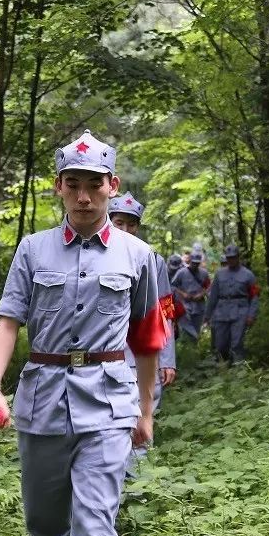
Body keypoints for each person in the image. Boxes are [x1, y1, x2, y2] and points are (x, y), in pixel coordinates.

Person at [0, 131, 167, 536]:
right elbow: (9, 322)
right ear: (60, 189)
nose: (84, 196)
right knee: (44, 525)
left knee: (96, 526)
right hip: (41, 397)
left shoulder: (138, 258)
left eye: (95, 185)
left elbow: (148, 337)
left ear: (113, 188)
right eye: (74, 185)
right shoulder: (34, 250)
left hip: (108, 402)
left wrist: (144, 410)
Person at [109, 192, 177, 478]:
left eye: (131, 224)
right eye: (119, 222)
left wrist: (168, 358)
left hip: (142, 359)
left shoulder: (152, 259)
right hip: (105, 358)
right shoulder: (92, 254)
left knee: (139, 426)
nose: (125, 229)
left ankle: (136, 493)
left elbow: (164, 312)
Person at [207, 243, 259, 362]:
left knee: (236, 343)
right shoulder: (220, 274)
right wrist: (208, 315)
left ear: (238, 257)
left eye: (233, 257)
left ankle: (239, 369)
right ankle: (224, 366)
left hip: (240, 311)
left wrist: (251, 315)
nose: (231, 260)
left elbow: (254, 296)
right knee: (220, 344)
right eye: (229, 257)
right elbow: (213, 296)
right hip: (222, 312)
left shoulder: (248, 275)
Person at [171, 249, 211, 343]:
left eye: (197, 263)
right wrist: (183, 293)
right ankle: (185, 346)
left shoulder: (204, 273)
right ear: (190, 261)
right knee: (186, 329)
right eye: (194, 263)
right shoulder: (181, 272)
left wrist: (202, 294)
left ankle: (194, 349)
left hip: (199, 305)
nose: (195, 265)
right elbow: (173, 285)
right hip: (185, 305)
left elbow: (208, 286)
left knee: (196, 330)